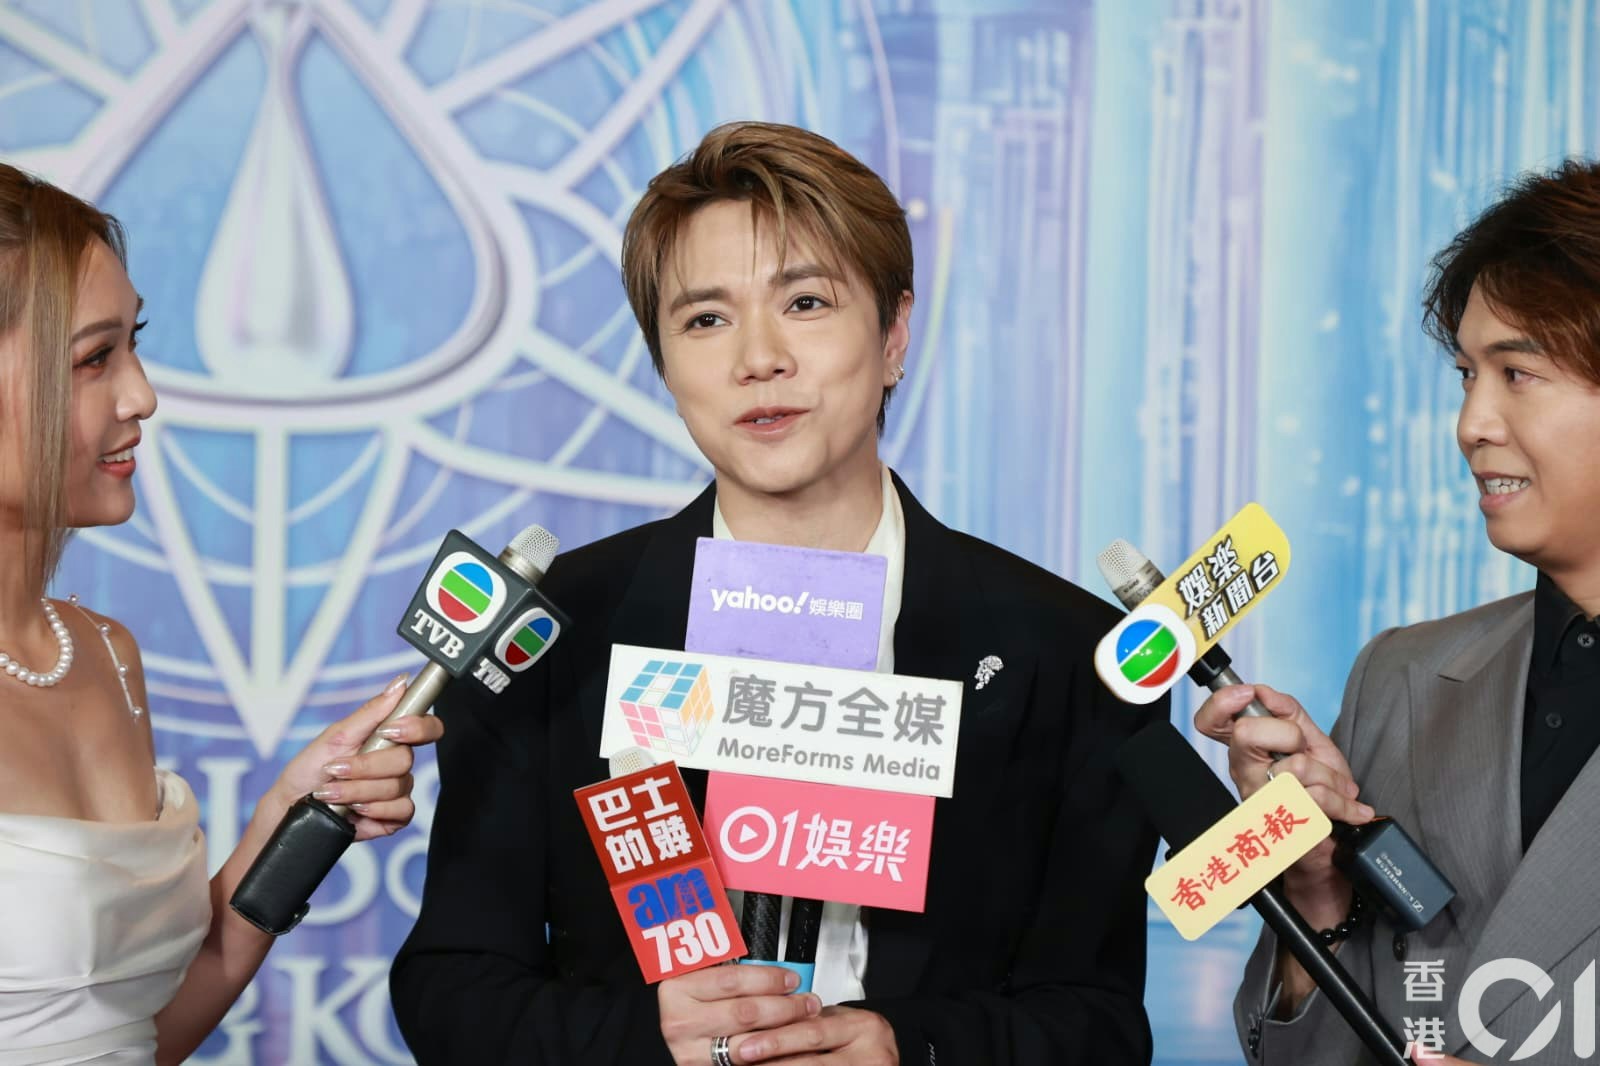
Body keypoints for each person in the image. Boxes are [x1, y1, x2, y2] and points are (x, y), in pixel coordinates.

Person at [391, 121, 1163, 1065]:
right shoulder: (551, 639)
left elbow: (1096, 1023)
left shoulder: (1066, 652)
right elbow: (453, 989)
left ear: (894, 334)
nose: (758, 358)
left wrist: (905, 1047)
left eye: (805, 302)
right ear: (664, 362)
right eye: (705, 320)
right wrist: (652, 1039)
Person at [0, 165, 442, 1063]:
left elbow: (133, 1033)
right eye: (93, 359)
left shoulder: (105, 655)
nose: (142, 395)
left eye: (132, 345)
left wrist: (292, 814)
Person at [1196, 159, 1600, 1065]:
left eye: (1517, 373)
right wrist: (1316, 892)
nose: (1472, 423)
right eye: (1465, 376)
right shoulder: (1403, 678)